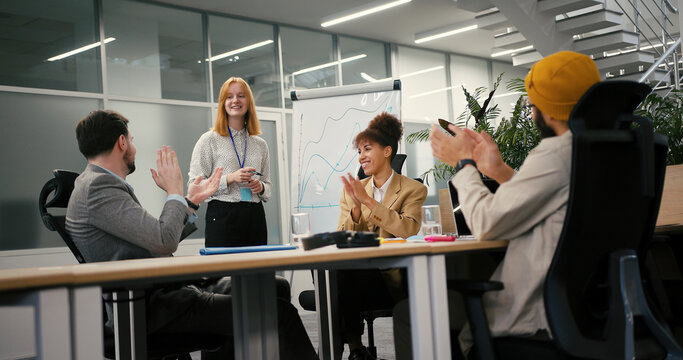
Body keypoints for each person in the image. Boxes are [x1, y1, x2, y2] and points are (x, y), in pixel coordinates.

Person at [393, 51, 601, 359]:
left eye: (534, 106)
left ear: (553, 111)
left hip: (533, 314)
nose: (531, 115)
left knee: (408, 311)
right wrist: (498, 171)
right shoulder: (599, 152)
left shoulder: (556, 152)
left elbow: (487, 224)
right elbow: (548, 198)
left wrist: (463, 165)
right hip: (587, 310)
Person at [66, 110, 318, 360]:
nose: (133, 146)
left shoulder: (98, 184)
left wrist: (190, 201)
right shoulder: (97, 187)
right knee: (279, 313)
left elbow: (156, 236)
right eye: (131, 140)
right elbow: (164, 241)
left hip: (163, 291)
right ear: (121, 142)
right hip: (154, 305)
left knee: (275, 286)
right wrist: (174, 190)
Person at [337, 112, 427, 360]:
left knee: (341, 286)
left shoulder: (413, 189)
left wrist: (367, 202)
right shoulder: (354, 191)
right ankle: (355, 349)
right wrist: (356, 209)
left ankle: (355, 349)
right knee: (338, 275)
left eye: (367, 149)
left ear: (387, 152)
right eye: (359, 151)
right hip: (357, 275)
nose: (361, 156)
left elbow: (408, 228)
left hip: (392, 278)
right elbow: (343, 238)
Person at [189, 77, 271, 247]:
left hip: (254, 216)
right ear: (222, 103)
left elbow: (268, 187)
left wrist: (261, 187)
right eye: (229, 96)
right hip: (222, 215)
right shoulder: (209, 140)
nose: (235, 101)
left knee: (257, 271)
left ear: (248, 101)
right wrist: (230, 178)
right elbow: (194, 186)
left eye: (241, 95)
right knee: (223, 272)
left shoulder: (260, 144)